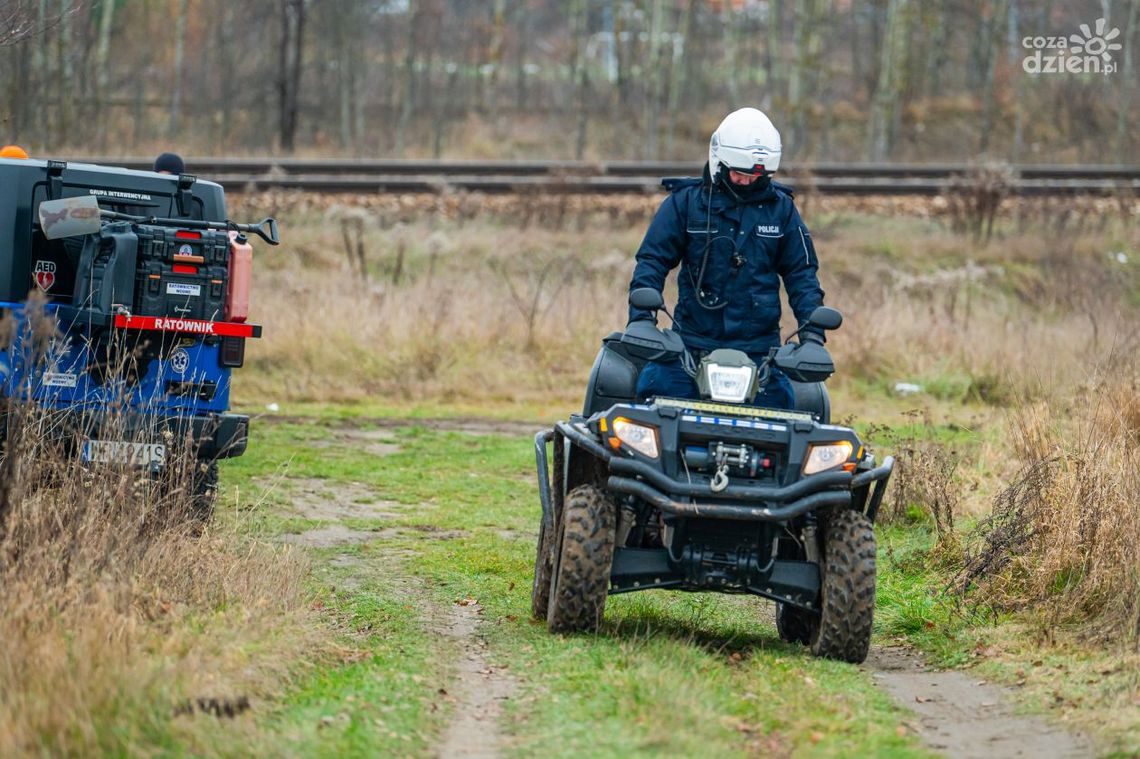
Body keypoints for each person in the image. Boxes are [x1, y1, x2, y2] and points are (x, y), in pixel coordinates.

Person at [627, 107, 824, 410]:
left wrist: (812, 336)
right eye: (739, 174)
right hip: (691, 346)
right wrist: (641, 320)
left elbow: (802, 275)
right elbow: (652, 261)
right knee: (651, 396)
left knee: (792, 412)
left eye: (756, 176)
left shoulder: (782, 210)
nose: (747, 182)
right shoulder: (685, 202)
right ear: (719, 161)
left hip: (761, 354)